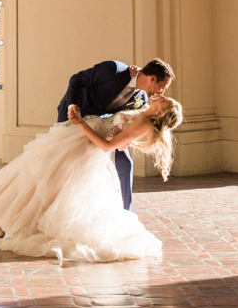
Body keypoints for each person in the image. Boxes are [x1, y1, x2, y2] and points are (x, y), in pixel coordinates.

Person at [0, 95, 183, 260]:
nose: (161, 97)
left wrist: (81, 124)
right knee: (35, 179)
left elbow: (107, 146)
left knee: (44, 185)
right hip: (76, 141)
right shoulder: (143, 111)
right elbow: (120, 136)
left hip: (84, 150)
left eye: (164, 101)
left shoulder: (143, 124)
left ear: (161, 113)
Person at [57, 57, 175, 211]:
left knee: (125, 163)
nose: (162, 92)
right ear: (152, 78)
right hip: (74, 115)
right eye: (163, 87)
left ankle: (126, 212)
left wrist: (122, 137)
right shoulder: (114, 70)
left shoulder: (141, 97)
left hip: (101, 128)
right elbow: (76, 79)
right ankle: (60, 206)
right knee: (63, 164)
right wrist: (72, 106)